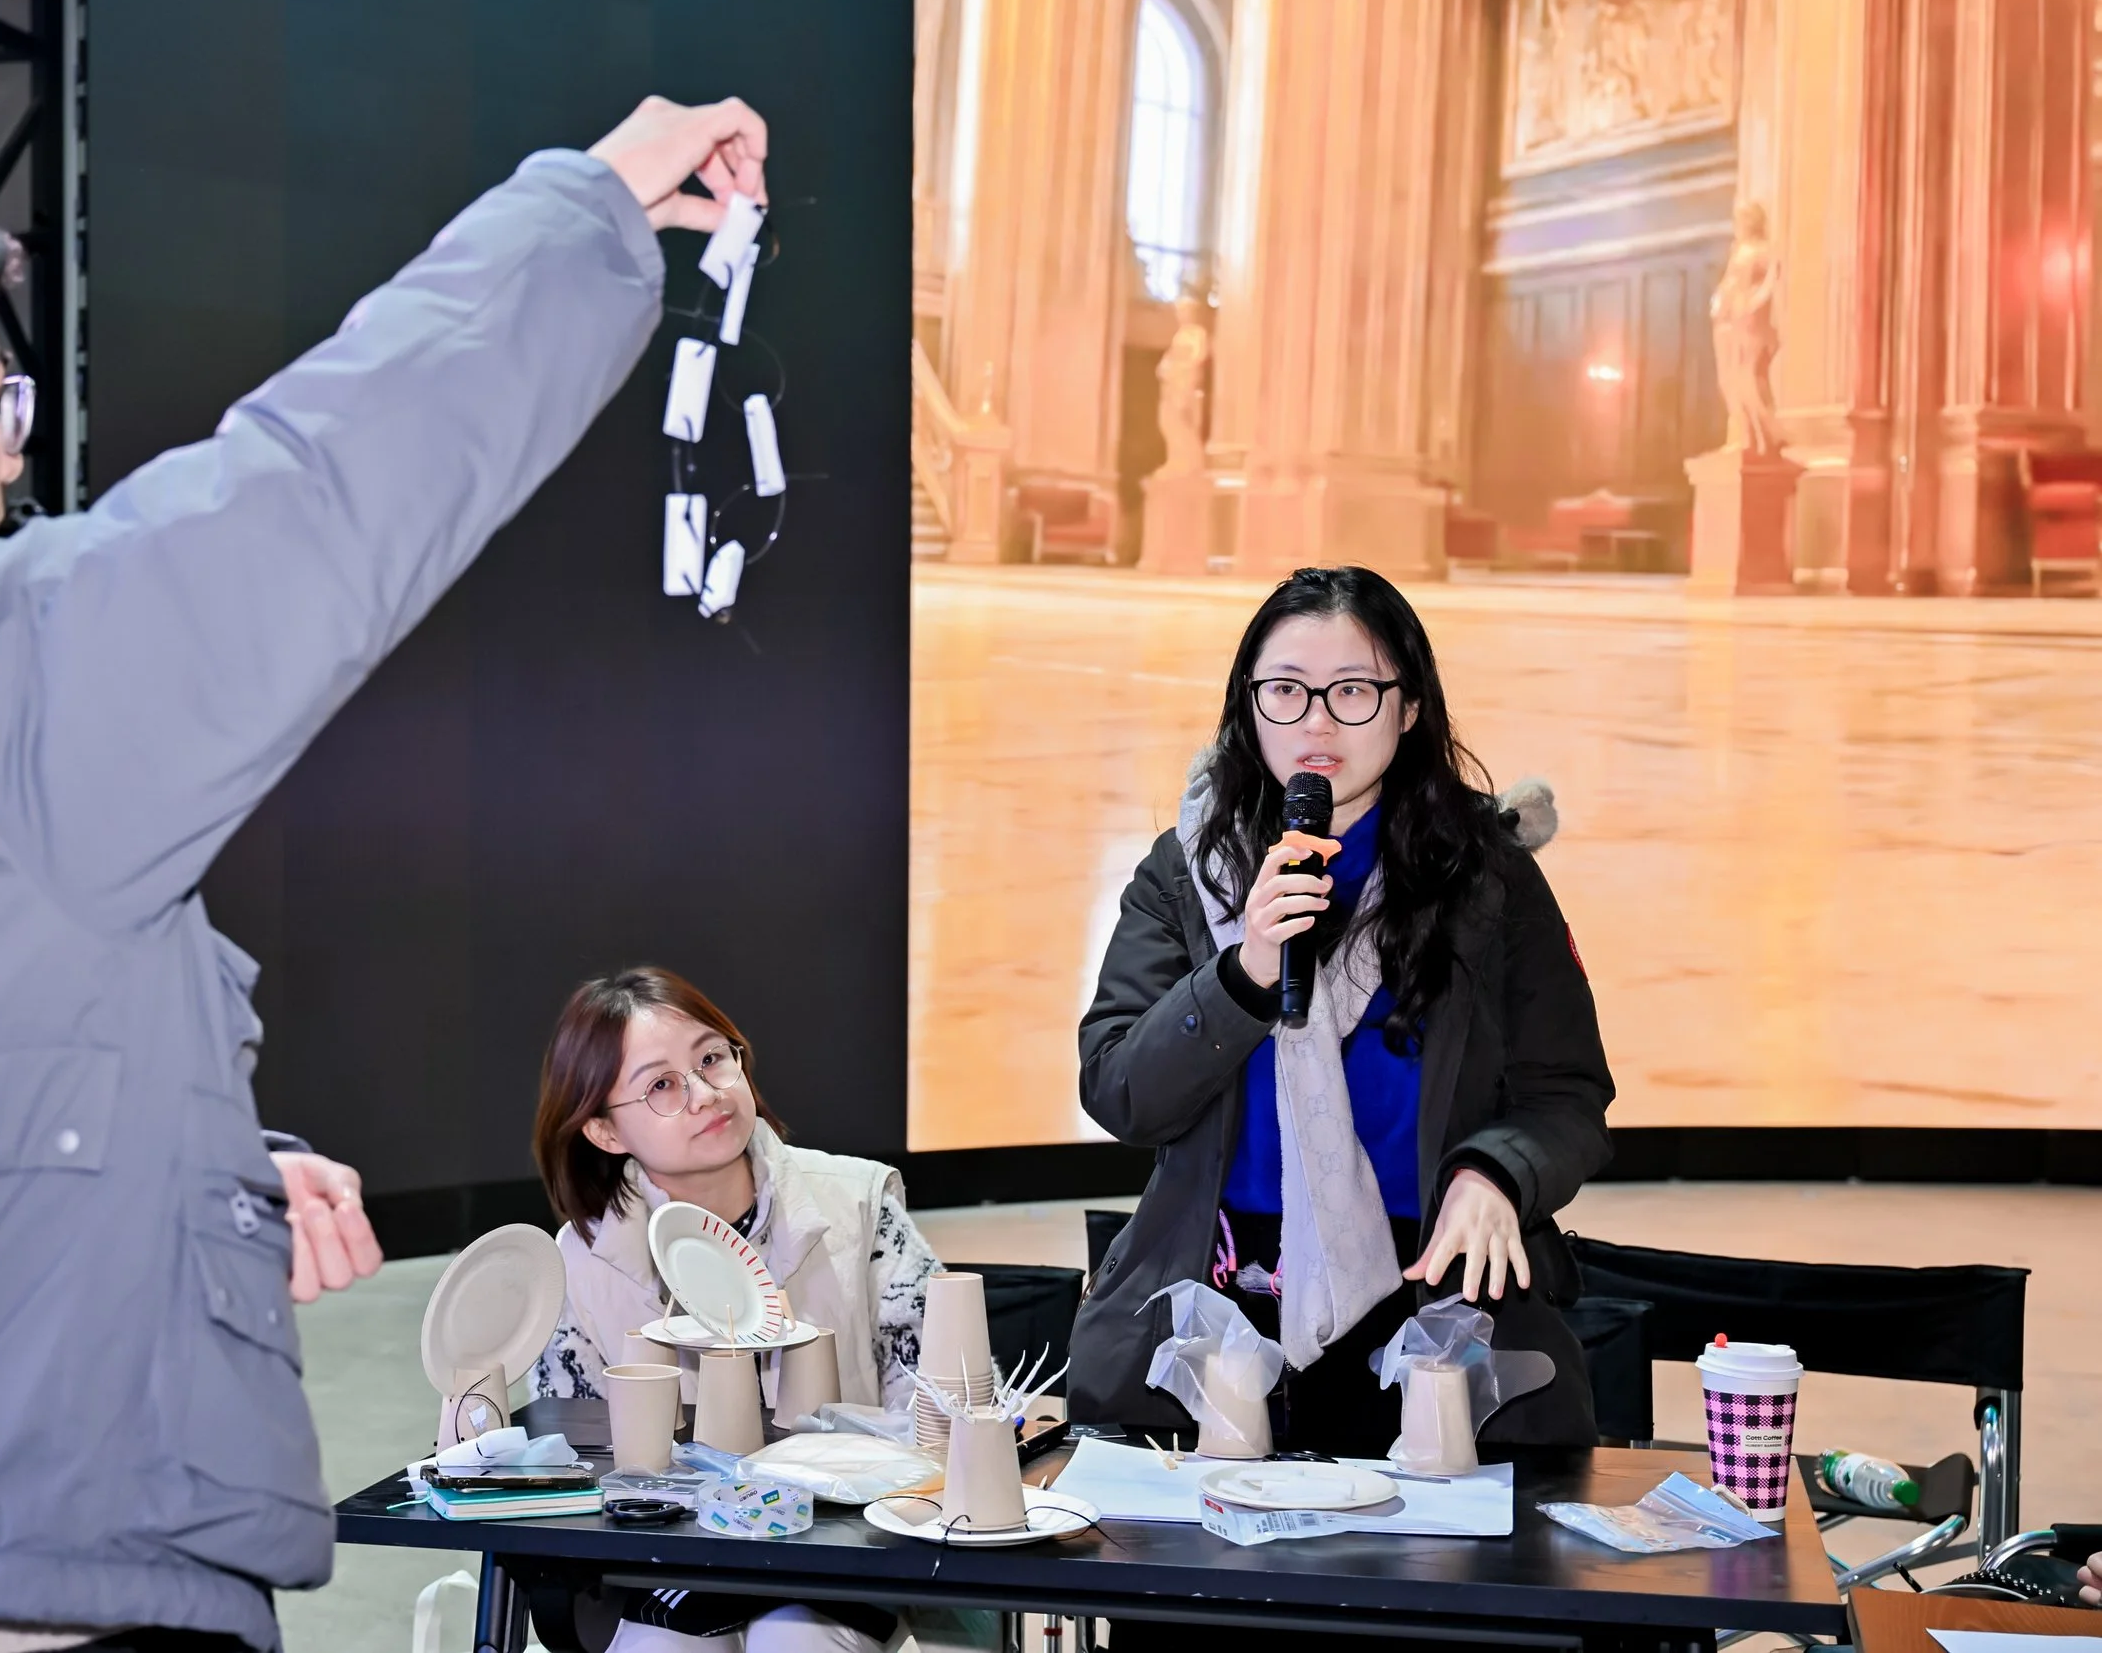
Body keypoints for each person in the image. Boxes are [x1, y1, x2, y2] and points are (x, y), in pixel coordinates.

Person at [0, 98, 768, 1653]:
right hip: (6, 1592)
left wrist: (182, 1166)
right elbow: (317, 483)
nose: (15, 461)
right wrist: (593, 203)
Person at [1069, 565, 1613, 1457]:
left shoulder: (1489, 876)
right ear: (1249, 706)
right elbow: (1123, 1091)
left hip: (1437, 1314)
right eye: (1286, 690)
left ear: (1408, 709)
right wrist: (1245, 971)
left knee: (1435, 1591)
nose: (1317, 722)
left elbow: (1567, 1095)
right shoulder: (1185, 873)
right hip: (1223, 1312)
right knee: (1204, 1594)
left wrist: (1497, 1173)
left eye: (1353, 691)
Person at [530, 968, 938, 1653]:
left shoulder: (860, 1204)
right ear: (603, 1130)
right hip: (663, 1567)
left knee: (798, 1640)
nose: (706, 1094)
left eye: (713, 1059)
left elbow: (937, 1409)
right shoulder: (578, 1259)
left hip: (848, 1550)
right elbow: (578, 1465)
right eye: (661, 1085)